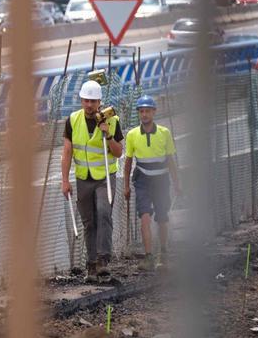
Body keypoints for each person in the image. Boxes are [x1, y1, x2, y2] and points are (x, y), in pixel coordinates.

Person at [61, 79, 124, 281]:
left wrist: (108, 136)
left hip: (105, 176)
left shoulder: (112, 120)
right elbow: (67, 152)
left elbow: (118, 152)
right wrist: (65, 180)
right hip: (83, 178)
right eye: (86, 101)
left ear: (99, 102)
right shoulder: (72, 120)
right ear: (81, 100)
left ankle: (103, 260)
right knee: (89, 222)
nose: (89, 105)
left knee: (104, 213)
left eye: (93, 101)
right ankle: (91, 264)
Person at [123, 95, 181, 271]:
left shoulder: (164, 133)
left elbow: (170, 160)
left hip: (161, 181)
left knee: (162, 217)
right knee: (145, 217)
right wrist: (126, 186)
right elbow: (128, 162)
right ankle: (148, 257)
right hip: (142, 181)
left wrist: (177, 183)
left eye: (147, 111)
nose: (144, 114)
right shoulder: (132, 135)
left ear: (154, 112)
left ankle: (163, 253)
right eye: (141, 111)